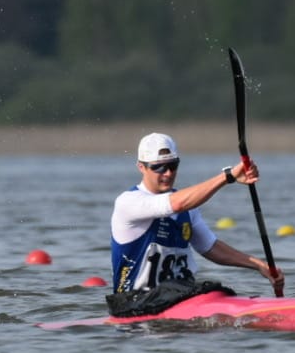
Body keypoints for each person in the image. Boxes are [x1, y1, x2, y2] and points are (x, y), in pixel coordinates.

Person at [108, 131, 284, 316]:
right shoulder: (129, 202)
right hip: (134, 306)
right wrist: (228, 176)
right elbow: (176, 203)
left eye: (173, 165)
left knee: (217, 294)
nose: (167, 173)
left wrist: (259, 266)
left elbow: (211, 248)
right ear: (141, 167)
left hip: (179, 300)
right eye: (159, 167)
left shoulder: (188, 208)